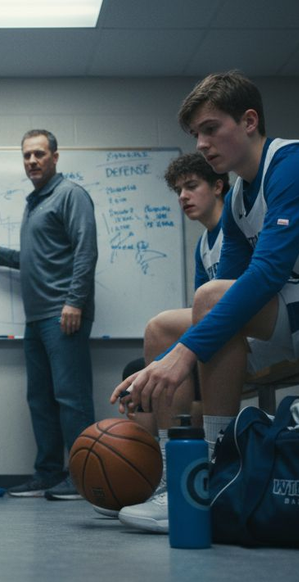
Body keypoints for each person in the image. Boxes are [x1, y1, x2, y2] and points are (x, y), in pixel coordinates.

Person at [112, 70, 299, 532]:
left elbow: (267, 273)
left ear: (249, 120)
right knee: (161, 328)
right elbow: (228, 293)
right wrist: (171, 353)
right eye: (197, 135)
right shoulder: (236, 201)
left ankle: (213, 476)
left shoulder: (296, 164)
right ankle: (171, 481)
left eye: (211, 128)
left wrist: (182, 359)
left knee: (209, 305)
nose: (203, 144)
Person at [100, 152, 226, 524]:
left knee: (157, 334)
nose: (183, 197)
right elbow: (201, 315)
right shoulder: (204, 246)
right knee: (136, 369)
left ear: (218, 186)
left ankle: (176, 480)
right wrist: (149, 373)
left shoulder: (234, 231)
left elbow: (225, 310)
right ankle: (152, 476)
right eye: (178, 190)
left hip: (240, 344)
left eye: (192, 186)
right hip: (215, 339)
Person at [0, 129, 98, 500]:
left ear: (55, 157)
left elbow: (85, 250)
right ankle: (48, 473)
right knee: (40, 399)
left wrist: (75, 301)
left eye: (39, 154)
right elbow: (37, 257)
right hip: (36, 319)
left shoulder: (70, 195)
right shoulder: (35, 202)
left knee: (71, 398)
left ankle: (82, 478)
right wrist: (1, 254)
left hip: (63, 314)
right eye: (27, 155)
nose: (32, 161)